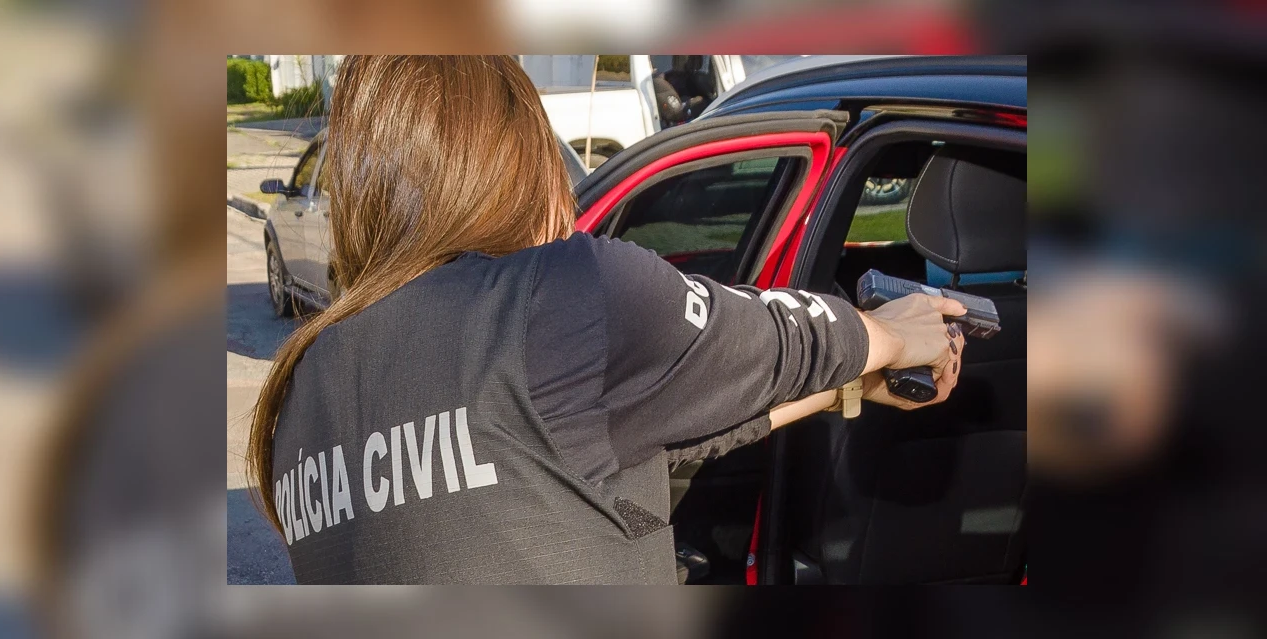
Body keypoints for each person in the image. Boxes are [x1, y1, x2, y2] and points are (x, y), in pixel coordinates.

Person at [247, 55, 966, 585]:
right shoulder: (557, 295)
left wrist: (854, 382)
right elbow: (771, 340)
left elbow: (634, 434)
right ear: (512, 164)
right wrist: (896, 332)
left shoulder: (300, 396)